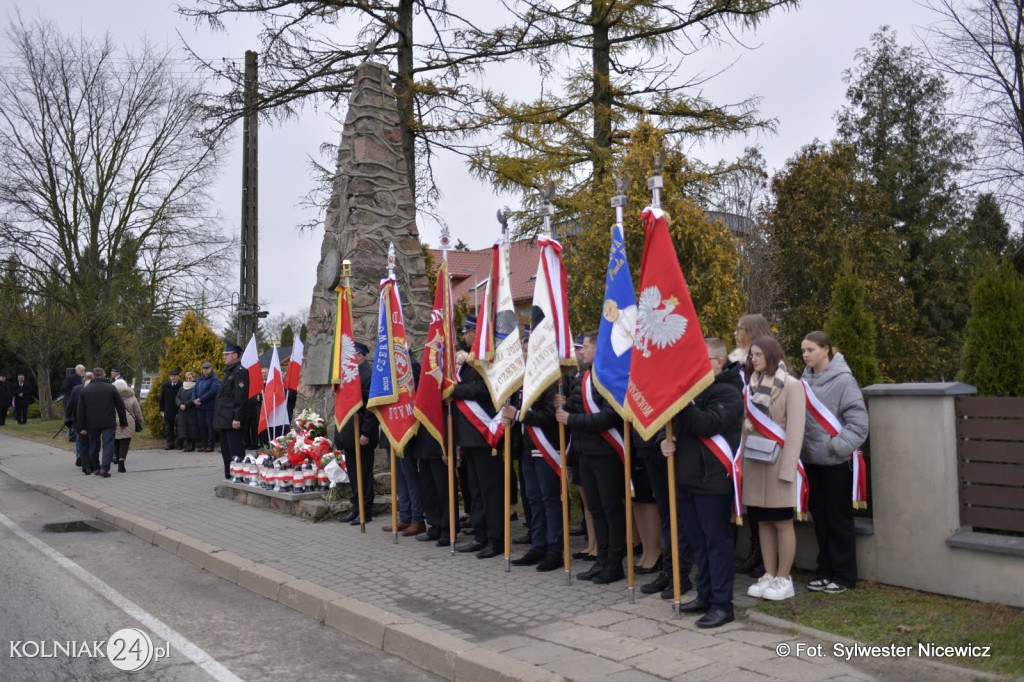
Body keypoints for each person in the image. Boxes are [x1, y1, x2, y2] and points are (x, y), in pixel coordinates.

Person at [659, 338, 744, 628]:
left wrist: (681, 396)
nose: (694, 366)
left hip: (713, 481)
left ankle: (723, 604)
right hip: (687, 479)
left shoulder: (730, 392)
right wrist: (665, 443)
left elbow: (705, 424)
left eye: (702, 360)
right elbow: (677, 428)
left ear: (718, 362)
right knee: (698, 543)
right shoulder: (694, 392)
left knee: (716, 544)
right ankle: (705, 595)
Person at [800, 330, 869, 594]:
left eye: (811, 350)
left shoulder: (843, 381)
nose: (806, 355)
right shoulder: (803, 382)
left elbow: (859, 423)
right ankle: (825, 570)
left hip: (837, 462)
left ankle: (844, 574)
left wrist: (834, 447)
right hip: (811, 462)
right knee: (820, 519)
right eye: (803, 351)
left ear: (826, 349)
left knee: (838, 519)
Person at [556, 330, 627, 585]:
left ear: (599, 349)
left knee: (611, 508)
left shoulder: (610, 378)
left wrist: (571, 418)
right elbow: (575, 409)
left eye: (585, 347)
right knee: (595, 509)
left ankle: (614, 563)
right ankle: (601, 558)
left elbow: (610, 416)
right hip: (584, 453)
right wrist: (562, 404)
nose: (581, 351)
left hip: (606, 453)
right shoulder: (582, 377)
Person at [742, 336, 805, 602]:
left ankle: (783, 577)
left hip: (779, 463)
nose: (753, 359)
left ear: (770, 354)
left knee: (781, 521)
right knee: (762, 521)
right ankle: (768, 573)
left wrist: (788, 471)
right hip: (755, 463)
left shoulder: (791, 385)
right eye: (751, 355)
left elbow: (795, 431)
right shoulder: (749, 386)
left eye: (758, 354)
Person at [501, 354, 564, 573]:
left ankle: (555, 550)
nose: (525, 354)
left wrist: (517, 414)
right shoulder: (523, 380)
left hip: (545, 446)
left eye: (529, 349)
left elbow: (548, 415)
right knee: (533, 499)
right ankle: (538, 545)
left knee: (549, 499)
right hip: (527, 446)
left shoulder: (549, 381)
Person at [449, 315, 505, 559]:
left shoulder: (490, 359)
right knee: (476, 490)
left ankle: (496, 539)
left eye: (468, 332)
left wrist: (455, 390)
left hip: (485, 435)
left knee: (491, 490)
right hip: (468, 436)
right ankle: (481, 535)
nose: (464, 336)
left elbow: (485, 390)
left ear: (478, 333)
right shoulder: (468, 360)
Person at [730, 313, 772, 576]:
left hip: (760, 438)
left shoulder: (766, 363)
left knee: (762, 501)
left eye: (740, 328)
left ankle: (762, 556)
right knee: (751, 500)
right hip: (739, 436)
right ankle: (755, 551)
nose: (735, 333)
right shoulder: (737, 361)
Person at [336, 341, 380, 526]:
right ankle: (356, 508)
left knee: (364, 474)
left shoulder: (368, 375)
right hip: (349, 434)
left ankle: (365, 510)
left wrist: (366, 432)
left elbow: (372, 408)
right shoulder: (351, 376)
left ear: (360, 356)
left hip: (362, 433)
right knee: (354, 473)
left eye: (352, 356)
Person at [77, 367, 128, 478]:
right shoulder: (111, 388)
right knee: (108, 444)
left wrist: (82, 426)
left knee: (93, 445)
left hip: (91, 423)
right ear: (104, 375)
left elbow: (80, 410)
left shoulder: (85, 390)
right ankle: (105, 468)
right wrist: (123, 422)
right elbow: (120, 406)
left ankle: (96, 467)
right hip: (108, 421)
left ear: (93, 376)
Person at [213, 343, 249, 480]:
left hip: (232, 419)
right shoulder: (229, 371)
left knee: (236, 451)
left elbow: (241, 398)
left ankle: (238, 477)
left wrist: (237, 418)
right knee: (226, 452)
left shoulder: (240, 372)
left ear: (235, 355)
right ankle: (229, 478)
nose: (224, 356)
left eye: (227, 354)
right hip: (224, 419)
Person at [113, 379, 144, 473]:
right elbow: (137, 411)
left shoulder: (111, 396)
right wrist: (140, 421)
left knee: (116, 440)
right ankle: (122, 459)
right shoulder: (132, 396)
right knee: (125, 442)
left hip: (114, 420)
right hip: (128, 421)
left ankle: (117, 458)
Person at [65, 371, 93, 469]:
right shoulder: (94, 388)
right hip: (92, 418)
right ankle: (89, 457)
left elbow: (70, 404)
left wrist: (68, 417)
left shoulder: (76, 389)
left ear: (83, 378)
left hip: (77, 417)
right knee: (91, 437)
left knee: (79, 437)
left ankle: (80, 455)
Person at [193, 361, 220, 452]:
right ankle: (204, 444)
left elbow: (212, 392)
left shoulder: (214, 379)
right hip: (199, 407)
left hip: (209, 407)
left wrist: (200, 399)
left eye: (207, 368)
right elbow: (195, 390)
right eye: (204, 368)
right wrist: (194, 399)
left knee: (209, 426)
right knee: (202, 426)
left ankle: (210, 445)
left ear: (211, 368)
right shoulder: (200, 379)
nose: (205, 370)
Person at [176, 372, 200, 452]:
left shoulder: (195, 387)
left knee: (191, 428)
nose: (188, 380)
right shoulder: (182, 387)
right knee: (184, 428)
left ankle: (191, 445)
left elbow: (194, 398)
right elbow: (177, 397)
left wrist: (186, 404)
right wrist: (180, 404)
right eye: (187, 378)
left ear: (194, 378)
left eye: (190, 378)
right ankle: (187, 445)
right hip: (182, 411)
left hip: (191, 410)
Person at [159, 370, 182, 450]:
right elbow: (161, 399)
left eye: (175, 376)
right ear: (170, 377)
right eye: (172, 376)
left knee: (179, 428)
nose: (174, 377)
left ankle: (179, 444)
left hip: (178, 410)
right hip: (168, 410)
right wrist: (161, 410)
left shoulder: (181, 386)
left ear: (178, 377)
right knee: (169, 429)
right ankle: (170, 444)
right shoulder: (165, 386)